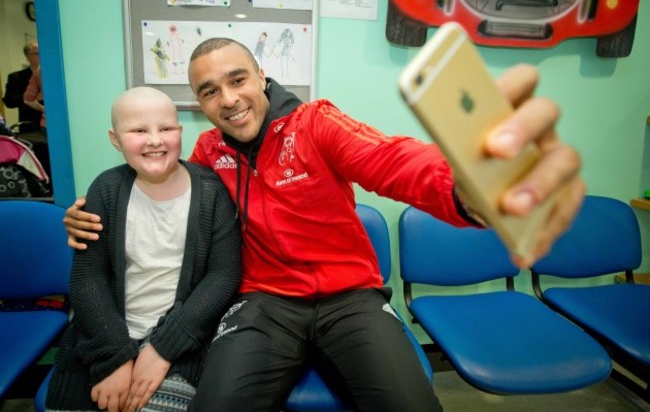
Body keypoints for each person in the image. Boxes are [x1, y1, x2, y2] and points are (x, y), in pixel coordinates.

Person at [64, 38, 584, 412]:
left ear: (261, 77)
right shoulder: (208, 152)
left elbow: (393, 160)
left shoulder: (316, 123)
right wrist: (97, 207)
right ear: (198, 105)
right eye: (208, 91)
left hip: (350, 298)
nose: (227, 98)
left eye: (238, 79)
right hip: (261, 301)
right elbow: (159, 188)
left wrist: (466, 190)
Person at [47, 86, 242, 412]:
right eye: (138, 130)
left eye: (166, 128)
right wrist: (114, 356)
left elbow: (223, 276)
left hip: (181, 343)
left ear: (180, 132)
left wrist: (163, 348)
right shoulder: (105, 190)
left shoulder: (211, 193)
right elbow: (87, 279)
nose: (155, 140)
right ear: (115, 139)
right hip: (104, 333)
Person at [2, 41, 42, 131]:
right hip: (30, 128)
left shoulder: (53, 76)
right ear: (28, 57)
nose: (43, 56)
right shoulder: (17, 77)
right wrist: (30, 97)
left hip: (54, 124)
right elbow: (9, 101)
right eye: (38, 53)